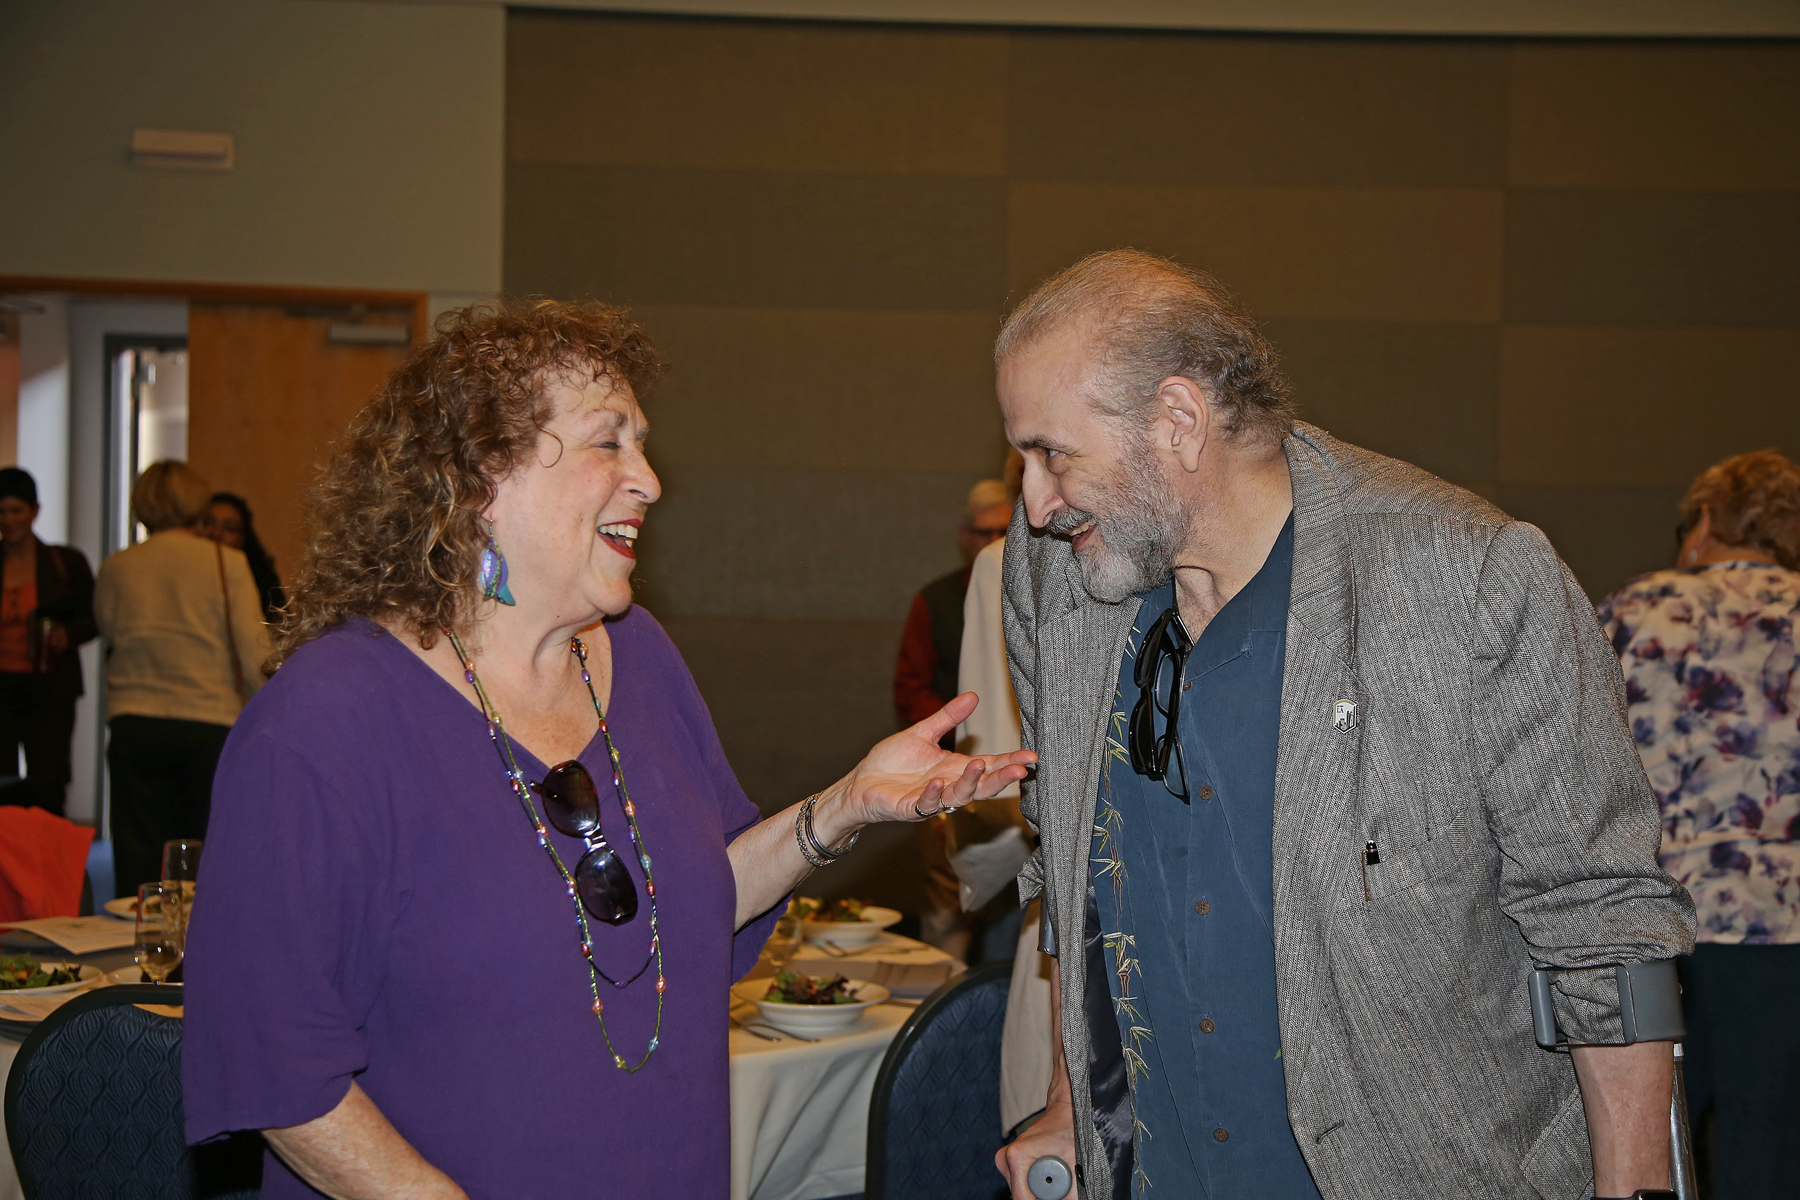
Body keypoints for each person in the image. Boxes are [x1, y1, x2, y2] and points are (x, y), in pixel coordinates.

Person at [180, 300, 1033, 1200]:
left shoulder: (642, 661)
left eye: (642, 442)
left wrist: (849, 803)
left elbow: (696, 901)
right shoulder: (325, 717)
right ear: (480, 478)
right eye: (608, 442)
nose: (650, 480)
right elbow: (269, 1051)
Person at [990, 250, 1695, 1200]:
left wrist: (1640, 1191)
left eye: (1052, 453)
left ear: (1178, 420)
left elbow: (1602, 924)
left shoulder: (1468, 578)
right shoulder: (1057, 582)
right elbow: (1077, 864)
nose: (1033, 505)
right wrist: (1076, 1099)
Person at [1596, 449, 1800, 1199]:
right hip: (1782, 933)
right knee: (1769, 1143)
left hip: (1651, 924)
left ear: (1707, 523)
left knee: (1647, 1140)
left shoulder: (1637, 608)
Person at [94, 461, 270, 897]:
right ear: (196, 501)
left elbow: (110, 631)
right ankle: (199, 958)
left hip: (134, 719)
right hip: (208, 722)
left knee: (138, 860)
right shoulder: (225, 562)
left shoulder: (118, 566)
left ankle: (140, 953)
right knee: (208, 860)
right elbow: (254, 651)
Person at [897, 477, 1014, 956]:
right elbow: (910, 686)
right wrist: (950, 748)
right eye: (982, 533)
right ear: (965, 537)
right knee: (947, 918)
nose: (993, 543)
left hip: (1013, 777)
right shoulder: (935, 599)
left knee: (1016, 924)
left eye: (1002, 531)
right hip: (946, 774)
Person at [0, 468, 96, 816]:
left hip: (50, 689)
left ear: (34, 511)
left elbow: (95, 614)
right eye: (1, 511)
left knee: (49, 784)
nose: (8, 520)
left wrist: (67, 635)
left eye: (16, 510)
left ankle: (50, 864)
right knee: (3, 785)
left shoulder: (65, 563)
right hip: (2, 689)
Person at [199, 492, 286, 621]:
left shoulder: (254, 582)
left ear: (243, 540)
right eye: (208, 523)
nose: (216, 533)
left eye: (229, 528)